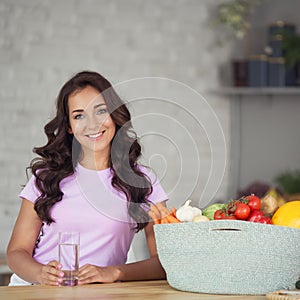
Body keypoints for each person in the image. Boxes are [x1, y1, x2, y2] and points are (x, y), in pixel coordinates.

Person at [6, 71, 168, 286]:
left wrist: (113, 272)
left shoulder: (143, 182)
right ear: (69, 127)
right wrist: (40, 274)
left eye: (100, 111)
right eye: (79, 115)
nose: (92, 124)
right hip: (37, 290)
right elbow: (16, 252)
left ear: (114, 115)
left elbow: (165, 262)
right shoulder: (47, 178)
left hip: (99, 293)